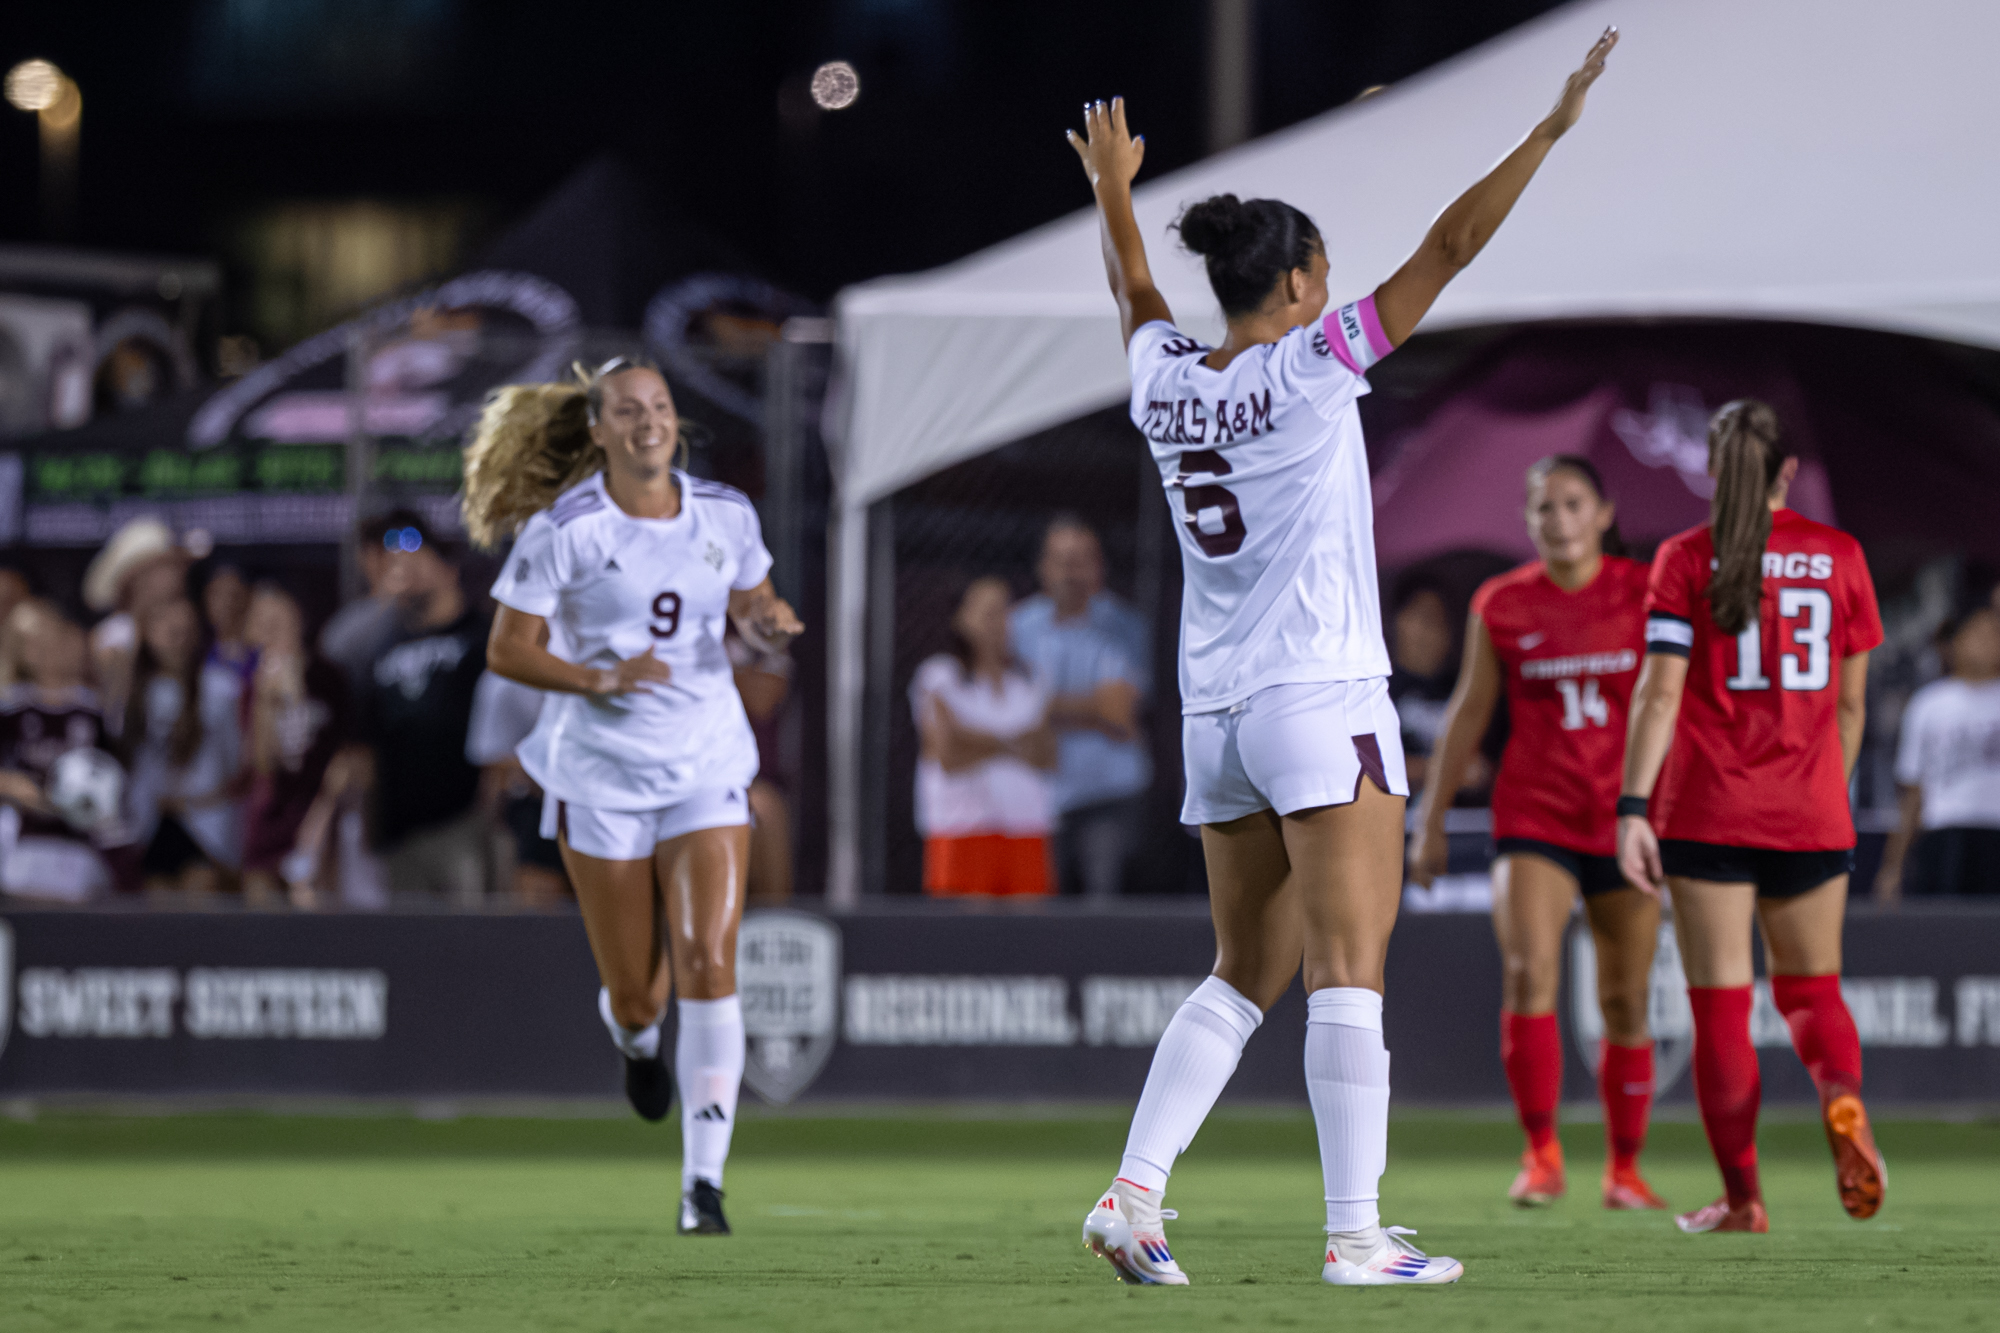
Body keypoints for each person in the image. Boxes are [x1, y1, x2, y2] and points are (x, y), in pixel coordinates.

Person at [1068, 28, 1614, 1287]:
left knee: (1243, 970)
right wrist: (1548, 130)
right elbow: (1451, 249)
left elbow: (1135, 299)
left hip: (1216, 715)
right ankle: (1353, 1232)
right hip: (1320, 700)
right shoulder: (1316, 366)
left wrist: (1111, 191)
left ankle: (1132, 1191)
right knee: (1346, 969)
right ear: (1306, 281)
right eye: (1325, 267)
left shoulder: (1162, 380)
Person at [468, 356, 803, 1237]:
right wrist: (597, 678)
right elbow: (508, 648)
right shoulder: (566, 529)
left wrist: (766, 619)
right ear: (601, 430)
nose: (649, 421)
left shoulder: (725, 511)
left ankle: (704, 1184)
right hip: (601, 775)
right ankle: (634, 1041)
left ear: (674, 421)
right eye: (628, 410)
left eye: (659, 406)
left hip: (703, 763)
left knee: (707, 962)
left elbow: (750, 592)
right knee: (640, 993)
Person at [1617, 400, 1886, 1235]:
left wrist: (1632, 805)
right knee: (1812, 992)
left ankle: (1743, 1199)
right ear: (1788, 473)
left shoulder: (1683, 560)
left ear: (1714, 467)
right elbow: (1849, 711)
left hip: (1707, 814)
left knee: (1722, 1009)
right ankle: (1842, 1100)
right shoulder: (1840, 556)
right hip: (1810, 816)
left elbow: (1661, 693)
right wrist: (1818, 793)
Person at [1409, 456, 1664, 1211]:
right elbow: (1468, 711)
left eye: (1572, 503)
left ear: (1603, 511)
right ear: (1527, 520)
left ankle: (1624, 1169)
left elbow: (1673, 705)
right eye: (1543, 507)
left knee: (1625, 998)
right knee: (1528, 973)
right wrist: (1430, 823)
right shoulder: (1503, 602)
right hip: (1536, 815)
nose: (1558, 520)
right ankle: (1542, 1154)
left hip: (1624, 817)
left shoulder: (1645, 592)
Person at [350, 516, 491, 903]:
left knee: (471, 943)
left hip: (463, 821)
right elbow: (368, 743)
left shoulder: (482, 638)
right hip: (399, 828)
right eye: (395, 563)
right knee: (413, 951)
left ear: (448, 566)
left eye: (416, 556)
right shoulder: (383, 644)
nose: (404, 568)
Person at [1010, 516, 1151, 897]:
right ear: (1043, 567)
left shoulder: (1123, 626)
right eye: (1062, 560)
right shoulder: (1016, 627)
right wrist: (1094, 708)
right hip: (1035, 792)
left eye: (1081, 560)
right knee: (1037, 910)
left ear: (1098, 567)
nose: (1071, 572)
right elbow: (1011, 714)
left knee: (1101, 910)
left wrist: (1043, 705)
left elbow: (1119, 713)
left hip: (1107, 790)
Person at [911, 576, 1058, 897]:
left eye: (1004, 611)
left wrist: (978, 742)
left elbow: (1046, 755)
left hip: (1025, 827)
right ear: (962, 618)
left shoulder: (1030, 681)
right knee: (967, 938)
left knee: (1028, 936)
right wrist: (1013, 744)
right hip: (961, 828)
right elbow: (949, 754)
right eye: (988, 612)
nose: (999, 622)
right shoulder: (939, 676)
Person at [0, 602, 124, 900]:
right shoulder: (13, 708)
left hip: (80, 844)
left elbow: (114, 770)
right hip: (25, 842)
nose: (51, 652)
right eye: (39, 644)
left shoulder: (94, 711)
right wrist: (14, 786)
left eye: (60, 641)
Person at [238, 582, 349, 907]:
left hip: (319, 816)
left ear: (298, 617)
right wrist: (265, 700)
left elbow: (346, 757)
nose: (270, 626)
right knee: (260, 925)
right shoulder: (249, 685)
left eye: (278, 616)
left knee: (314, 922)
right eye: (260, 619)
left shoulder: (329, 677)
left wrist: (320, 820)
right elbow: (259, 762)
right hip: (268, 816)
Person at [1877, 606, 2000, 898]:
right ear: (1954, 642)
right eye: (1977, 633)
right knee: (1945, 933)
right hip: (1944, 836)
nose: (1987, 643)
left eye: (1994, 634)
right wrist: (1893, 866)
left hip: (1995, 833)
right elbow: (1912, 792)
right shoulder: (1928, 705)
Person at [123, 597, 244, 895]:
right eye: (167, 628)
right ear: (148, 633)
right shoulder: (132, 693)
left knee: (199, 911)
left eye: (185, 629)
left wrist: (200, 799)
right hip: (150, 824)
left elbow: (236, 763)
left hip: (204, 825)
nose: (176, 637)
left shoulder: (220, 687)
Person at [465, 666, 570, 905]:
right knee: (540, 918)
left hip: (609, 804)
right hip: (538, 809)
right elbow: (494, 760)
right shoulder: (504, 677)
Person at [726, 623, 794, 902]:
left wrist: (723, 677)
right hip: (692, 777)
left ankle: (772, 921)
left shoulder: (770, 637)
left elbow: (762, 700)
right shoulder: (690, 629)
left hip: (754, 779)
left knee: (767, 808)